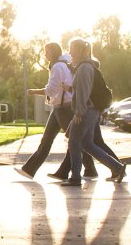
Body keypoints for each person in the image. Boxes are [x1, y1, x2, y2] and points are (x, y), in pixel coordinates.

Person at [15, 42, 95, 178]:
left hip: (64, 108)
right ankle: (30, 170)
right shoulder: (62, 64)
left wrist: (34, 92)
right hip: (59, 106)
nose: (45, 54)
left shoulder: (58, 67)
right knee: (52, 140)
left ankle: (80, 169)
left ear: (53, 51)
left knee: (73, 140)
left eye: (47, 51)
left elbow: (52, 90)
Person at [64, 37, 128, 185]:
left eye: (72, 48)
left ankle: (75, 178)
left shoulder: (85, 68)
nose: (70, 52)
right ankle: (117, 168)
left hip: (86, 111)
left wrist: (79, 112)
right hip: (91, 110)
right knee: (87, 144)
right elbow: (83, 88)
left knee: (74, 142)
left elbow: (84, 92)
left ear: (80, 50)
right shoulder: (84, 67)